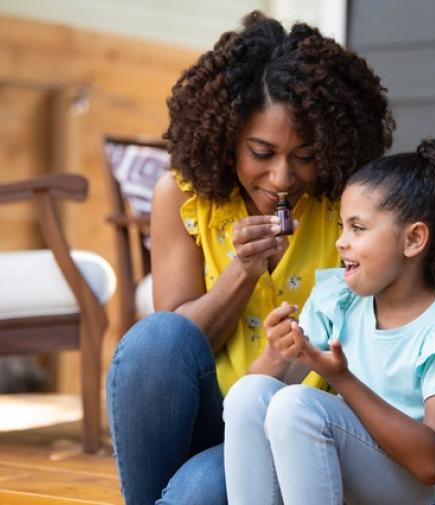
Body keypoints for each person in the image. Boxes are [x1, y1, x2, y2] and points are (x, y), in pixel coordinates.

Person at [106, 10, 394, 505]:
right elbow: (174, 350)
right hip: (206, 413)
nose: (283, 178)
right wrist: (242, 271)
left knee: (199, 492)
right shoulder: (181, 198)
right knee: (155, 336)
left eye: (305, 155)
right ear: (225, 139)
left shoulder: (351, 201)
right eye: (262, 153)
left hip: (294, 428)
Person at [223, 139, 435, 505]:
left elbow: (432, 463)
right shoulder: (338, 299)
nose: (340, 242)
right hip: (373, 469)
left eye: (358, 228)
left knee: (298, 406)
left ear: (413, 239)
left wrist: (342, 379)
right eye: (341, 227)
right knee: (248, 393)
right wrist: (277, 352)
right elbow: (256, 404)